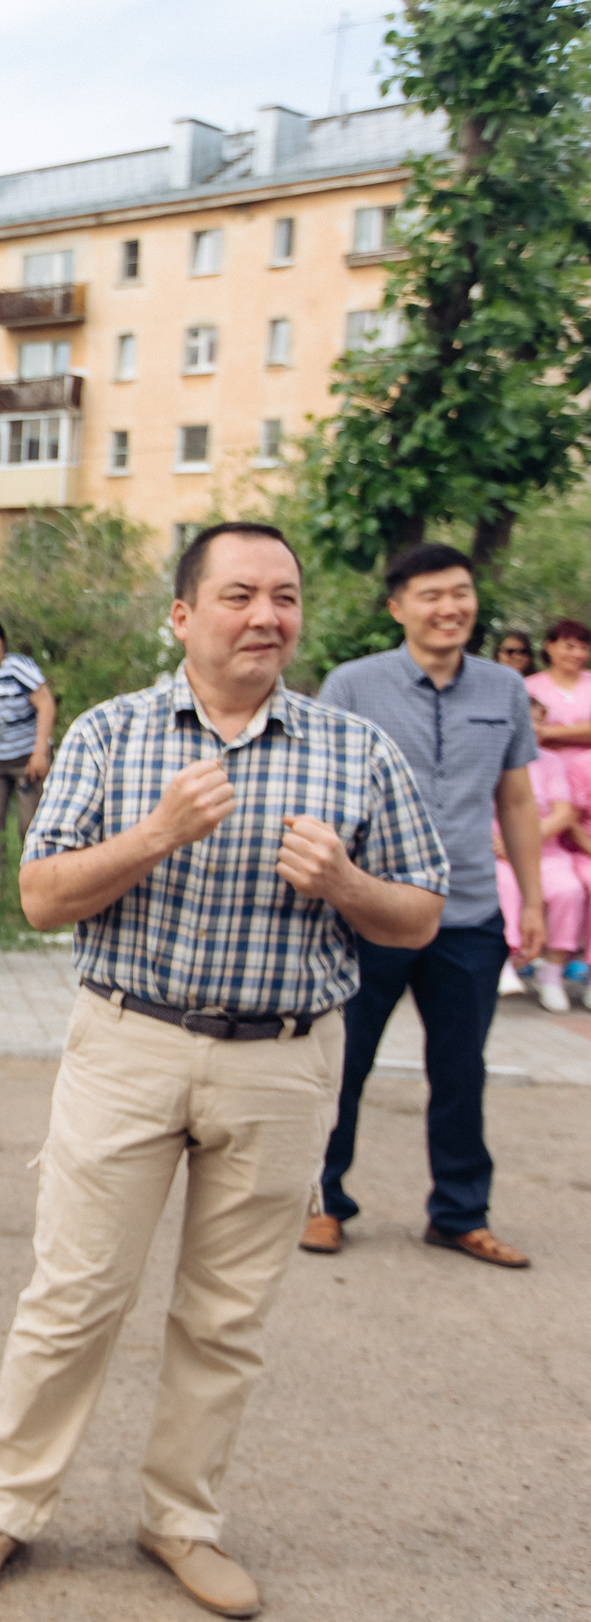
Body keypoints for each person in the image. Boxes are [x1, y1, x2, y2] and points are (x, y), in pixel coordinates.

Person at [0, 522, 448, 1619]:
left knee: (225, 1315)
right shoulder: (114, 737)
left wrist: (349, 884)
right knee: (73, 1296)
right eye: (239, 595)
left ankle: (181, 1521)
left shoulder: (352, 751)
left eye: (285, 597)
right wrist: (155, 835)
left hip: (281, 1061)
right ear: (182, 616)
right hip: (130, 1043)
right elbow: (39, 896)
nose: (266, 615)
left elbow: (419, 913)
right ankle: (3, 1508)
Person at [305, 544, 540, 1270]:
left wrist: (531, 898)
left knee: (462, 1068)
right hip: (368, 912)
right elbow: (315, 790)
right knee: (344, 1065)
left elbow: (517, 797)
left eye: (461, 592)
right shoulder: (353, 685)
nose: (450, 607)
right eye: (431, 594)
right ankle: (323, 1200)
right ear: (397, 607)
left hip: (468, 915)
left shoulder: (503, 690)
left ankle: (460, 1213)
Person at [494, 697, 587, 1008]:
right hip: (499, 850)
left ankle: (552, 973)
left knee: (569, 891)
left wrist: (522, 841)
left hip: (545, 850)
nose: (532, 727)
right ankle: (505, 962)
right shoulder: (489, 759)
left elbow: (563, 813)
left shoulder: (551, 761)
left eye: (537, 721)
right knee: (505, 886)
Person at [524, 618, 591, 1006]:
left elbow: (539, 731)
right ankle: (533, 961)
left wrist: (550, 732)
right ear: (549, 646)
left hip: (578, 797)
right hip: (538, 790)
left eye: (583, 647)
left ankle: (569, 962)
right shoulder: (528, 687)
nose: (577, 654)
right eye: (568, 645)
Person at [0, 615, 55, 878]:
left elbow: (46, 704)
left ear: (2, 641)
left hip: (27, 757)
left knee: (29, 823)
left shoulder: (17, 668)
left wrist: (40, 752)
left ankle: (35, 878)